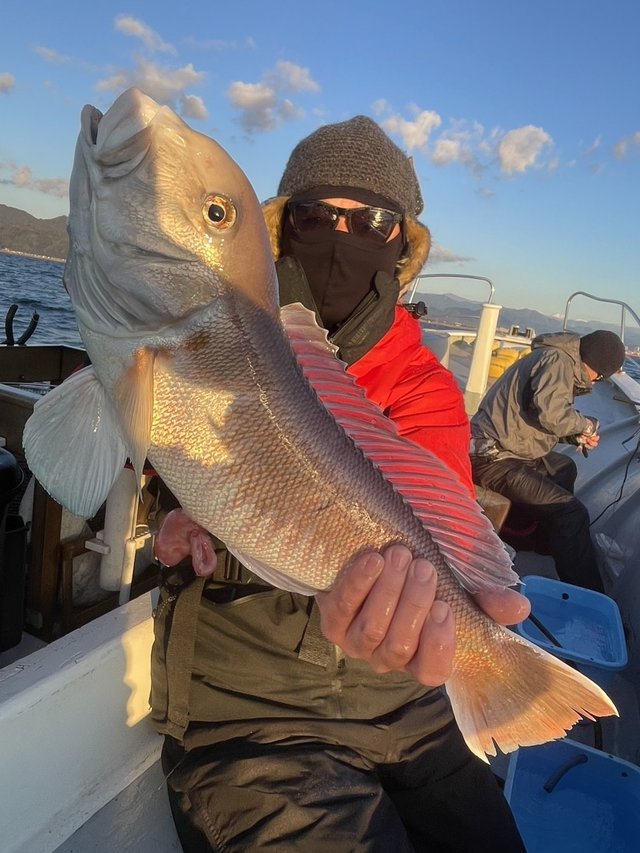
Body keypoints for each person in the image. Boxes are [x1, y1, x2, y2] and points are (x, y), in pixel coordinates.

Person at [150, 115, 528, 852]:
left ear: (401, 246)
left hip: (407, 706)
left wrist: (433, 627)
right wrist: (178, 517)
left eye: (372, 221)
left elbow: (431, 531)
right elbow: (163, 444)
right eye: (316, 215)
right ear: (280, 229)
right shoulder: (205, 334)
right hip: (252, 712)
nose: (339, 236)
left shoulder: (425, 387)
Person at [470, 328, 626, 593]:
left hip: (510, 448)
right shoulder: (558, 362)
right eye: (599, 376)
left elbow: (534, 421)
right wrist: (586, 425)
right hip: (492, 458)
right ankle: (588, 593)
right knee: (572, 512)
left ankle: (545, 542)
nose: (596, 381)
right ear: (596, 369)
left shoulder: (556, 359)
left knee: (565, 468)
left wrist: (575, 437)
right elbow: (551, 415)